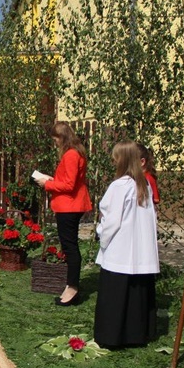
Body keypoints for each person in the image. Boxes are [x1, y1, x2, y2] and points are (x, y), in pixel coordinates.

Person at [93, 140, 160, 348]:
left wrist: (101, 236)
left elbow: (111, 221)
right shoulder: (145, 184)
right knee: (135, 296)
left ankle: (111, 337)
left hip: (120, 251)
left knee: (116, 296)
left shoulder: (119, 185)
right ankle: (136, 335)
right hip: (141, 252)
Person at [35, 121, 93, 305]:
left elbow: (69, 185)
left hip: (69, 206)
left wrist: (48, 184)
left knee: (70, 247)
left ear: (62, 137)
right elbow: (69, 180)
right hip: (71, 204)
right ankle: (71, 286)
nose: (55, 144)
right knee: (70, 246)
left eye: (55, 140)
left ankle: (72, 288)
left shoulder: (71, 155)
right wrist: (54, 179)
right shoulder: (76, 153)